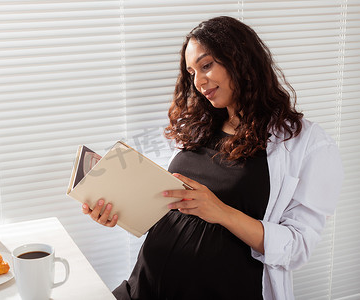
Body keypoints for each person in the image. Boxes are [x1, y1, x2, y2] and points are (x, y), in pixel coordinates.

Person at [81, 16, 343, 300]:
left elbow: (297, 248)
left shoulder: (307, 144)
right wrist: (119, 208)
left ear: (240, 59)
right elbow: (170, 208)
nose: (198, 81)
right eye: (191, 72)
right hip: (144, 286)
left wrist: (221, 212)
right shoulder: (198, 127)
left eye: (206, 65)